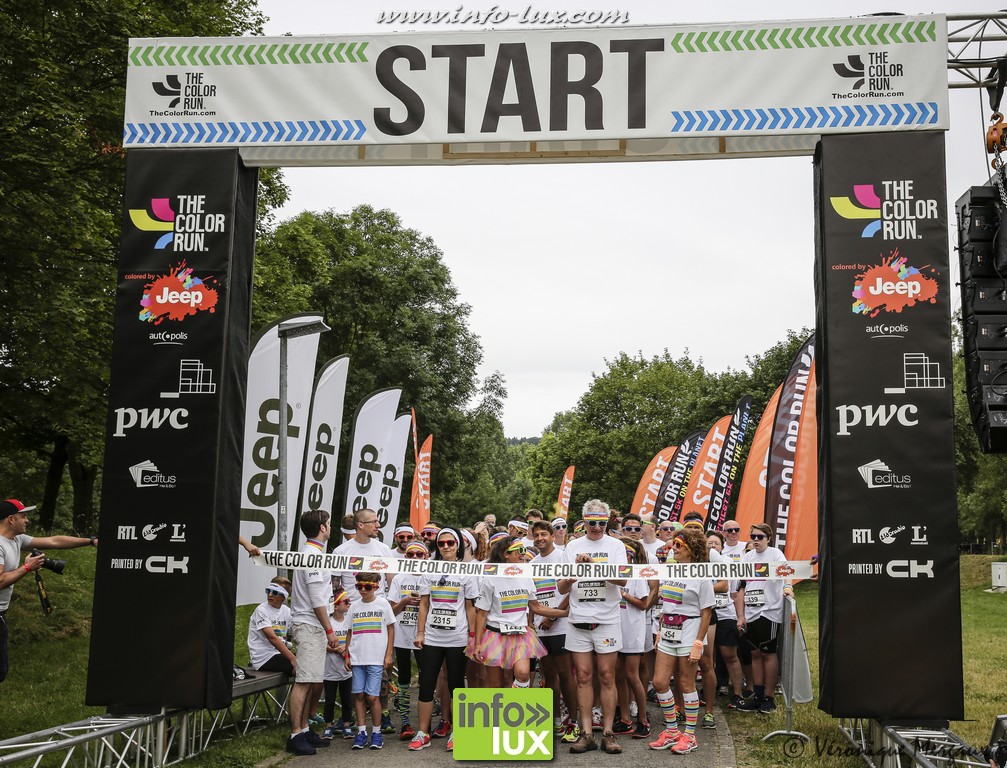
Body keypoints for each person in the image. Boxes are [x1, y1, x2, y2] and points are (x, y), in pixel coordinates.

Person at [559, 499, 628, 755]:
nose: (597, 527)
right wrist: (574, 573)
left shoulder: (616, 545)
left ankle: (608, 733)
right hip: (578, 619)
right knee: (584, 677)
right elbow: (561, 587)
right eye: (592, 522)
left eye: (601, 522)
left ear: (608, 521)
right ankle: (586, 733)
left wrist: (595, 566)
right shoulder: (573, 545)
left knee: (607, 676)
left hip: (607, 619)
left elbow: (622, 578)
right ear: (584, 520)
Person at [0, 499, 96, 683]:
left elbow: (53, 541)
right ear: (11, 519)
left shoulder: (16, 539)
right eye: (23, 516)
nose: (27, 520)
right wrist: (27, 568)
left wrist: (91, 541)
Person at [409, 527, 478, 753]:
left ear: (458, 544)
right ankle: (423, 733)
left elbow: (470, 608)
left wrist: (473, 637)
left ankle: (459, 732)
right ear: (437, 547)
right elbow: (423, 605)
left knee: (457, 685)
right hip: (432, 637)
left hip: (457, 638)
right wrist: (420, 633)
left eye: (450, 542)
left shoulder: (466, 571)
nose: (446, 546)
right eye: (441, 543)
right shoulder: (429, 569)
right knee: (426, 685)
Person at [648, 526, 713, 755]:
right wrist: (659, 630)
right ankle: (672, 731)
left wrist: (698, 642)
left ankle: (690, 736)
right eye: (673, 544)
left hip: (690, 630)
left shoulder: (701, 576)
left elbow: (706, 612)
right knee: (659, 682)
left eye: (678, 545)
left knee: (686, 684)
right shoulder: (670, 570)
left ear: (690, 549)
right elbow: (666, 604)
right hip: (668, 631)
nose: (672, 548)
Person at [471, 536, 557, 688]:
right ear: (505, 554)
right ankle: (500, 710)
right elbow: (482, 613)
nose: (523, 554)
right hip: (495, 634)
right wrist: (477, 644)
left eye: (524, 550)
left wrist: (564, 613)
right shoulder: (490, 578)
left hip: (520, 635)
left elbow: (535, 607)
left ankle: (515, 706)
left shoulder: (526, 576)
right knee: (496, 683)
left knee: (523, 674)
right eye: (519, 550)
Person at [287, 509, 335, 756]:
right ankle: (295, 734)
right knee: (304, 681)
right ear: (323, 528)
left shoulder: (314, 553)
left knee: (313, 679)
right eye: (328, 523)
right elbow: (317, 599)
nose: (330, 527)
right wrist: (330, 630)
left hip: (312, 625)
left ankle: (304, 729)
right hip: (309, 625)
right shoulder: (312, 555)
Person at [735, 523, 793, 714]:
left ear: (769, 538)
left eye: (760, 537)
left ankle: (769, 697)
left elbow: (788, 573)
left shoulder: (776, 554)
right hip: (751, 612)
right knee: (754, 654)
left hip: (769, 611)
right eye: (753, 536)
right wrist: (741, 615)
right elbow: (741, 587)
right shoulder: (747, 557)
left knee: (768, 653)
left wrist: (787, 587)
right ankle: (758, 695)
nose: (756, 540)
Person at [530, 521, 578, 742]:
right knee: (548, 676)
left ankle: (573, 722)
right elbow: (531, 596)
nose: (540, 538)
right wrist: (533, 621)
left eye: (543, 534)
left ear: (552, 536)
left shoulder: (562, 557)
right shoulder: (533, 563)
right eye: (536, 535)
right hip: (541, 628)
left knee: (566, 674)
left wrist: (552, 615)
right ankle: (556, 721)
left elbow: (571, 591)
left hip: (560, 625)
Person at [346, 572, 395, 749]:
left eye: (367, 587)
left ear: (376, 586)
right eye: (359, 587)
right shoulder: (354, 607)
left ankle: (376, 732)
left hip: (375, 657)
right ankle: (361, 732)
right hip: (357, 657)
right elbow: (349, 631)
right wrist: (346, 654)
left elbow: (391, 628)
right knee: (358, 695)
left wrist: (388, 654)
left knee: (372, 697)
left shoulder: (383, 604)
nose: (363, 590)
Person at [387, 542, 428, 740]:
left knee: (426, 676)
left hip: (425, 635)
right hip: (402, 635)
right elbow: (391, 612)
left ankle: (425, 722)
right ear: (405, 558)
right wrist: (404, 602)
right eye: (410, 554)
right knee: (403, 677)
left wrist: (424, 603)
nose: (414, 558)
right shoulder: (399, 579)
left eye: (418, 555)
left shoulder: (431, 576)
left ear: (426, 557)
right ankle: (405, 722)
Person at [247, 576, 297, 674]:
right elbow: (272, 638)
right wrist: (293, 659)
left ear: (284, 596)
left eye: (274, 592)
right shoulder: (261, 610)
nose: (270, 594)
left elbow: (298, 630)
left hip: (278, 653)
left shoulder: (286, 611)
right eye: (268, 591)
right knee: (304, 667)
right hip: (263, 658)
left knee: (309, 661)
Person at [322, 591, 354, 740]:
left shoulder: (349, 620)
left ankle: (346, 724)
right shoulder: (328, 623)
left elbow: (353, 640)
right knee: (329, 700)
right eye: (345, 601)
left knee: (347, 698)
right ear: (335, 606)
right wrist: (335, 649)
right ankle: (329, 725)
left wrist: (346, 649)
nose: (348, 604)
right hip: (329, 669)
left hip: (346, 669)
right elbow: (321, 643)